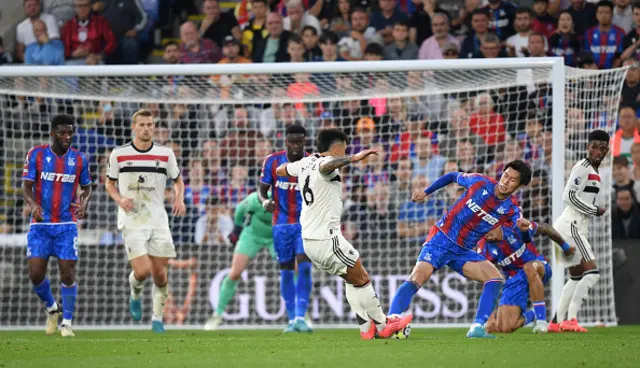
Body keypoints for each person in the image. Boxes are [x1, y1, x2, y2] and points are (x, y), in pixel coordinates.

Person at [275, 128, 413, 339]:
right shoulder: (324, 164)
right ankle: (384, 325)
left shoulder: (304, 163)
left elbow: (281, 170)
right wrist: (354, 158)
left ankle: (366, 329)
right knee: (362, 278)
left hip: (310, 241)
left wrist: (287, 166)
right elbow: (327, 165)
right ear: (338, 148)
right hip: (326, 239)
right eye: (345, 148)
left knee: (351, 278)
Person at [386, 160, 533, 338]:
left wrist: (498, 234)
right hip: (441, 238)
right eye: (505, 175)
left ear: (521, 185)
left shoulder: (512, 211)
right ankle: (392, 319)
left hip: (463, 251)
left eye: (512, 180)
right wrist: (426, 192)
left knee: (495, 279)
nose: (505, 181)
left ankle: (477, 328)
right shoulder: (480, 182)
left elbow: (504, 233)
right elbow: (451, 176)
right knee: (418, 276)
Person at [105, 109, 186, 333]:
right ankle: (135, 293)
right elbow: (109, 184)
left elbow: (178, 181)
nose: (146, 128)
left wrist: (179, 199)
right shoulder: (118, 154)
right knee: (142, 271)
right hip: (132, 219)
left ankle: (157, 319)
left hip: (158, 219)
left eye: (150, 124)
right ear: (134, 127)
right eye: (142, 125)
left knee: (160, 274)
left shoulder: (166, 153)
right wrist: (120, 199)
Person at [22, 115, 92, 337]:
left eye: (70, 132)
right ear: (52, 133)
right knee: (35, 274)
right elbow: (26, 186)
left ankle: (67, 322)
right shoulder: (37, 154)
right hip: (41, 224)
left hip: (66, 224)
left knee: (68, 271)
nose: (67, 137)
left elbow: (87, 187)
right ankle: (52, 308)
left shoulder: (80, 159)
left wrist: (84, 202)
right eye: (62, 132)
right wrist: (32, 204)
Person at [549, 129, 610, 333]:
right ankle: (572, 319)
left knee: (576, 277)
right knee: (592, 274)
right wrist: (594, 210)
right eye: (594, 147)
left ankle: (555, 322)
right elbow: (568, 197)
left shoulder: (595, 171)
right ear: (587, 147)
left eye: (602, 147)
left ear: (607, 150)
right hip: (571, 226)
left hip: (569, 226)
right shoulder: (582, 167)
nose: (598, 151)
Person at [259, 124, 313, 332]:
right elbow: (262, 191)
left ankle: (301, 316)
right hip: (281, 225)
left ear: (304, 142)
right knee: (287, 272)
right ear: (286, 142)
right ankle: (292, 320)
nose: (296, 146)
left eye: (300, 142)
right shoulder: (272, 161)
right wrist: (265, 202)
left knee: (305, 266)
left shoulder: (312, 162)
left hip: (305, 224)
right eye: (292, 142)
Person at [479, 222, 574, 334]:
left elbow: (545, 228)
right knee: (504, 328)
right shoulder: (483, 247)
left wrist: (565, 247)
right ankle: (534, 312)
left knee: (528, 267)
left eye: (489, 228)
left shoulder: (514, 225)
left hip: (538, 266)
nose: (486, 233)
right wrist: (490, 318)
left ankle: (541, 321)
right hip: (514, 279)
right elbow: (488, 280)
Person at [204, 191, 275, 330]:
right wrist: (236, 229)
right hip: (252, 235)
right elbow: (240, 209)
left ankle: (301, 315)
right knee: (235, 273)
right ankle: (217, 314)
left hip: (276, 236)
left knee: (292, 270)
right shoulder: (254, 199)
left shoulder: (285, 197)